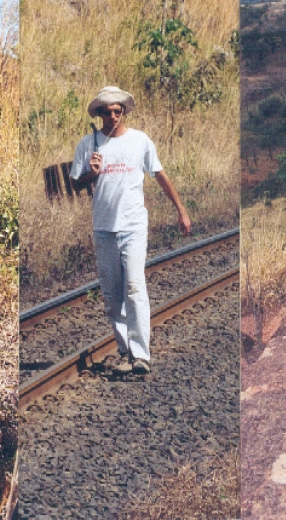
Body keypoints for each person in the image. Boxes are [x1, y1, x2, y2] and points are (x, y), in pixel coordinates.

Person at [70, 86, 191, 375]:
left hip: (134, 226)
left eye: (117, 110)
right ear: (98, 113)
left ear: (123, 112)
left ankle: (141, 356)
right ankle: (124, 352)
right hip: (104, 229)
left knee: (135, 288)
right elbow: (75, 183)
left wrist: (181, 210)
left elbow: (159, 174)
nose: (113, 116)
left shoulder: (140, 141)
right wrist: (91, 173)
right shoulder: (88, 145)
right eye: (107, 111)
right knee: (112, 298)